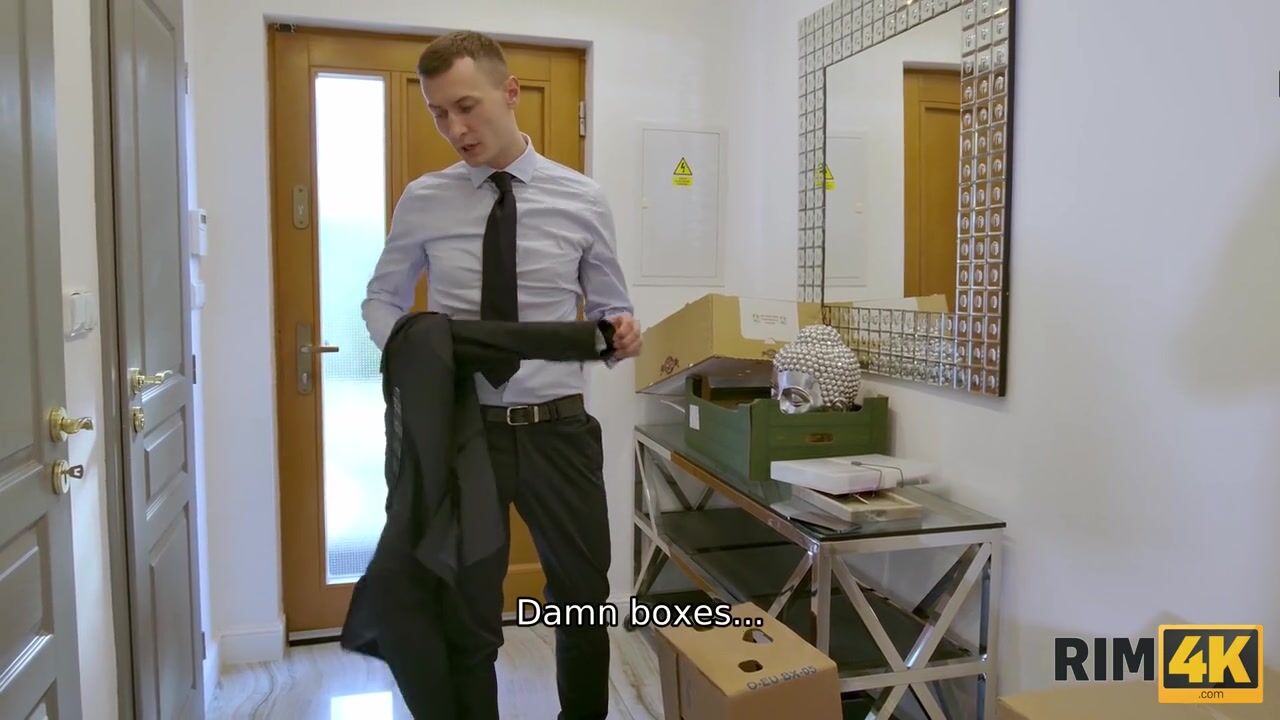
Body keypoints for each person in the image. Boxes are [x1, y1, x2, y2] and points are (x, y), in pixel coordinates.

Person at [360, 29, 640, 720]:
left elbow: (610, 305)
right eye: (438, 114)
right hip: (467, 437)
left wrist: (620, 332)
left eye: (466, 107)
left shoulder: (583, 199)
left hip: (560, 433)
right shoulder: (424, 199)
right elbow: (381, 299)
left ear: (509, 93)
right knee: (467, 611)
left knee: (582, 604)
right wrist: (414, 350)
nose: (455, 129)